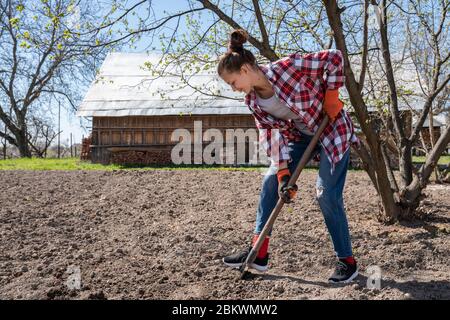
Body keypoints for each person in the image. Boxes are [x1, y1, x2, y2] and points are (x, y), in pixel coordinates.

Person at [217, 29, 360, 283]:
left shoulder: (288, 67)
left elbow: (335, 57)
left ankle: (346, 262)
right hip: (300, 138)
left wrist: (332, 95)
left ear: (246, 70)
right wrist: (284, 175)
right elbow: (271, 137)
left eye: (233, 82)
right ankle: (259, 254)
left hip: (331, 128)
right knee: (270, 182)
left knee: (326, 194)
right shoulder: (253, 102)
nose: (234, 89)